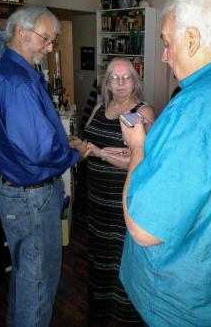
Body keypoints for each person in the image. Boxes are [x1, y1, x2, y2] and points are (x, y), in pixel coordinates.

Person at [119, 0, 211, 326]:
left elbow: (145, 228)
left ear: (191, 39)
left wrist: (137, 148)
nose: (163, 54)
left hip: (185, 303)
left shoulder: (197, 107)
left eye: (165, 41)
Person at [0, 6, 81, 327]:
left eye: (52, 41)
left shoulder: (6, 71)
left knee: (25, 278)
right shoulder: (18, 83)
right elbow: (41, 149)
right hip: (32, 199)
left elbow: (28, 136)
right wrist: (75, 153)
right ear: (21, 33)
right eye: (45, 40)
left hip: (15, 192)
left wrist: (62, 142)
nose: (49, 48)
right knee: (39, 283)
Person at [70, 57, 156, 326]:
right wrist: (81, 146)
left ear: (135, 80)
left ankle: (125, 315)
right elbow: (92, 146)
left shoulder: (140, 112)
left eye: (126, 77)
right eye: (114, 78)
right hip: (96, 198)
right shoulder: (100, 107)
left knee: (122, 255)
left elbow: (142, 159)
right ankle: (101, 307)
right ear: (105, 82)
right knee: (100, 252)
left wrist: (102, 154)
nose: (120, 83)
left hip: (123, 199)